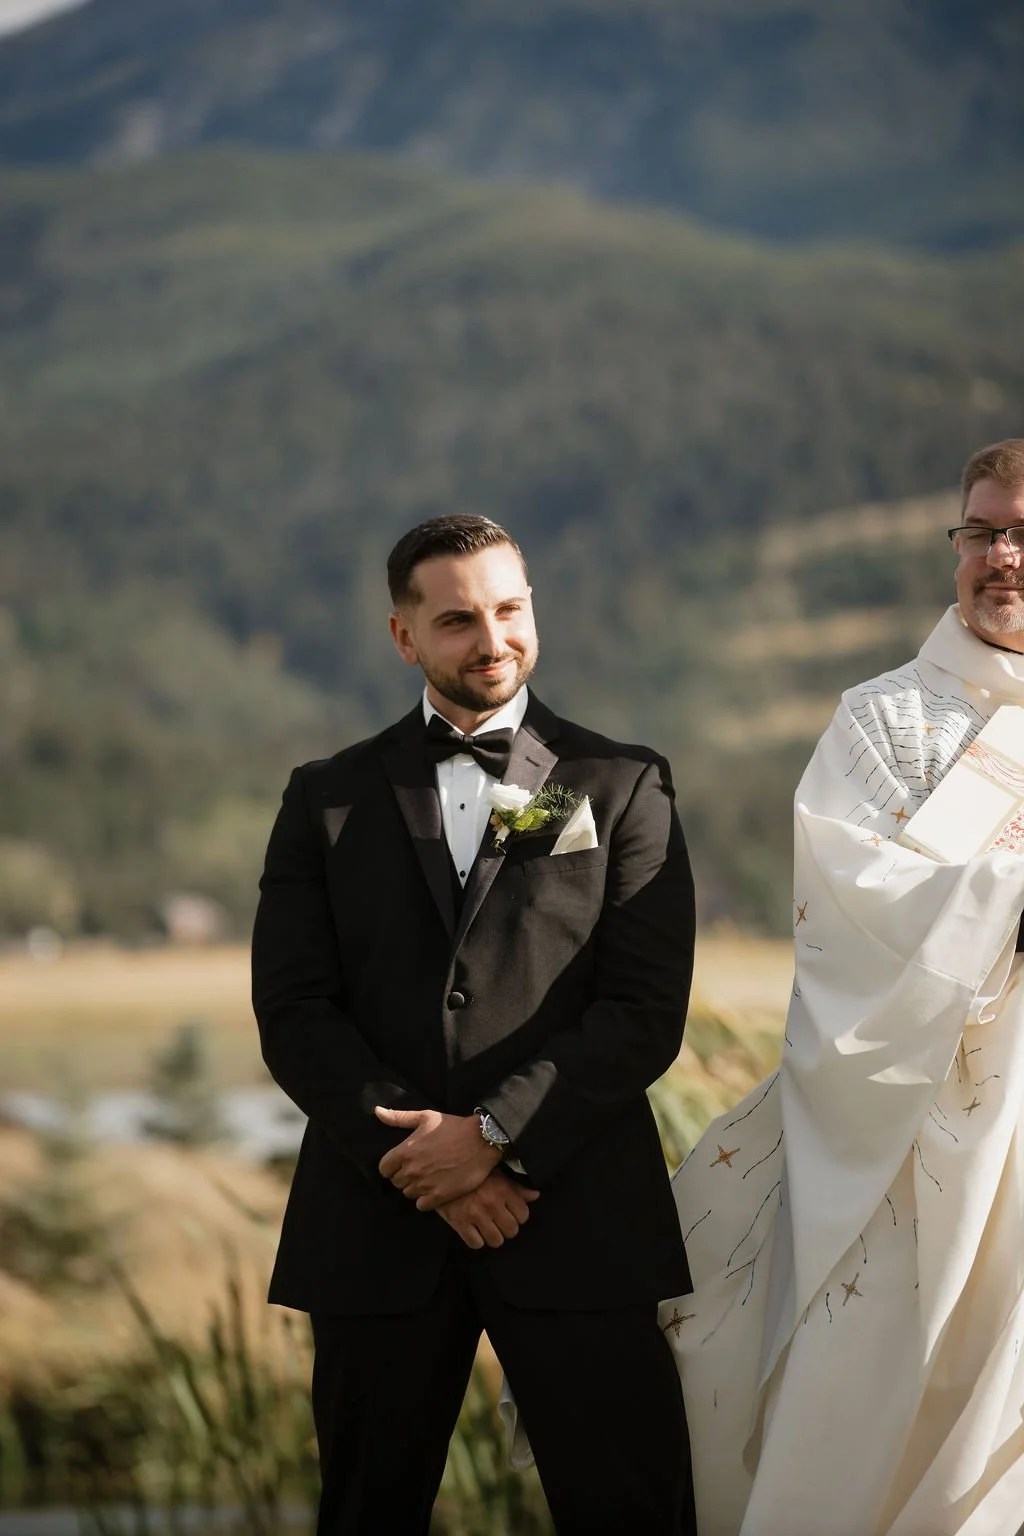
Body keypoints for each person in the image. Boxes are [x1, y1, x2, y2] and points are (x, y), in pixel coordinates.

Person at [251, 514, 698, 1534]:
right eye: (457, 619)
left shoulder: (624, 785)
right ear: (404, 637)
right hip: (379, 1221)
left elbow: (641, 1012)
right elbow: (293, 1010)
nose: (491, 638)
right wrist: (420, 1160)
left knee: (633, 1512)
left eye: (509, 609)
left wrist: (494, 1140)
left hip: (575, 1211)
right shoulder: (324, 799)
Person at [665, 438, 1024, 1535]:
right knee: (879, 1391)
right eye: (980, 532)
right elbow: (850, 909)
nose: (1000, 555)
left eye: (1021, 534)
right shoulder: (882, 720)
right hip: (915, 1129)